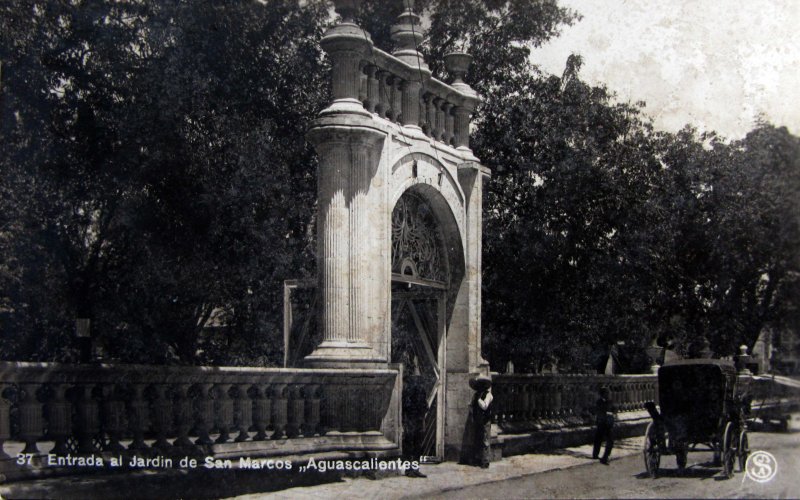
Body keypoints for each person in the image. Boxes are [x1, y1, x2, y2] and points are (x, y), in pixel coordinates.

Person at [470, 375, 494, 468]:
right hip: (477, 420)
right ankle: (477, 458)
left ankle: (485, 461)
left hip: (485, 420)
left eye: (481, 385)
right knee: (477, 439)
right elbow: (471, 406)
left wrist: (479, 399)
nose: (480, 387)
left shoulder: (488, 395)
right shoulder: (475, 395)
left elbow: (484, 406)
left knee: (485, 440)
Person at [593, 386, 616, 464]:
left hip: (608, 424)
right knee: (598, 439)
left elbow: (614, 410)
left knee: (610, 441)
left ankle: (605, 457)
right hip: (602, 423)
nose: (608, 394)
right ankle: (595, 454)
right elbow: (599, 412)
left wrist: (613, 414)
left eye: (608, 393)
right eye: (606, 393)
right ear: (602, 394)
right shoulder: (599, 402)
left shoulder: (610, 402)